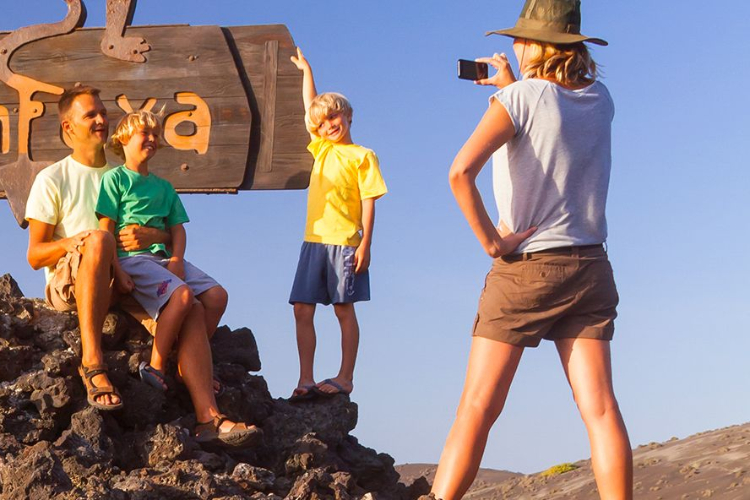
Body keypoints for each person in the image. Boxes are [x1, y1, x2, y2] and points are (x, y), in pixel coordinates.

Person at [430, 1, 632, 499]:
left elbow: (459, 173)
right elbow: (553, 124)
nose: (514, 47)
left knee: (478, 406)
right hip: (590, 266)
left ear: (541, 45)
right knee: (601, 409)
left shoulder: (520, 99)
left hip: (527, 270)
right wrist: (509, 88)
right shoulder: (601, 98)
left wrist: (493, 243)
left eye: (522, 39)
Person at [96, 109, 259, 446]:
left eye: (156, 135)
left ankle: (186, 362)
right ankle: (156, 365)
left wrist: (176, 259)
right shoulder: (115, 180)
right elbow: (106, 231)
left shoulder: (164, 187)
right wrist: (116, 269)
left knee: (216, 296)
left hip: (162, 258)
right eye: (144, 134)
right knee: (184, 297)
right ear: (123, 140)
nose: (152, 140)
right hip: (132, 259)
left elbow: (177, 229)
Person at [25, 85, 168, 410]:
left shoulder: (123, 175)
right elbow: (35, 256)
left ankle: (209, 413)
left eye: (103, 112)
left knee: (191, 300)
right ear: (68, 126)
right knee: (100, 238)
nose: (101, 119)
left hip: (123, 277)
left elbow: (169, 233)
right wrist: (75, 242)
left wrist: (154, 237)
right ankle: (92, 363)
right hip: (69, 284)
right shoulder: (52, 178)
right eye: (91, 114)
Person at [287, 48, 387, 400]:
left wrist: (365, 244)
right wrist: (306, 70)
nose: (329, 124)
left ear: (346, 116)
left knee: (344, 309)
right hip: (313, 240)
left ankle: (345, 377)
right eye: (322, 122)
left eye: (334, 117)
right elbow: (309, 104)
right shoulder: (322, 148)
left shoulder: (363, 155)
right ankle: (306, 379)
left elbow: (369, 200)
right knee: (302, 308)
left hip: (345, 242)